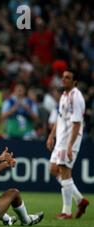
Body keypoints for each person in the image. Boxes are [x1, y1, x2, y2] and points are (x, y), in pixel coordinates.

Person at [46, 70, 89, 219]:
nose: (64, 80)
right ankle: (80, 200)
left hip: (69, 140)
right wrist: (51, 136)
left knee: (65, 171)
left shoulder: (76, 97)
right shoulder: (64, 96)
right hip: (60, 139)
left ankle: (67, 211)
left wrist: (70, 145)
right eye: (63, 77)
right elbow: (60, 118)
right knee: (53, 169)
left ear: (75, 82)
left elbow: (77, 123)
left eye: (68, 78)